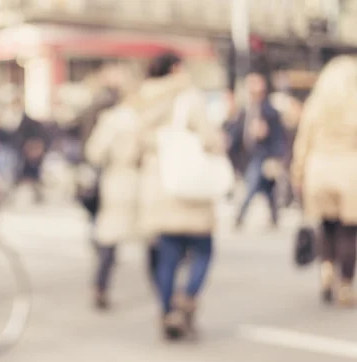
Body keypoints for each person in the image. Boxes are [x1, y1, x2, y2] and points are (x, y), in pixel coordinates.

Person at [86, 52, 223, 339]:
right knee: (203, 249)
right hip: (188, 183)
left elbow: (126, 149)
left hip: (154, 185)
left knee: (167, 252)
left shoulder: (139, 103)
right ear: (175, 69)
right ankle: (187, 298)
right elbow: (210, 139)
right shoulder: (188, 98)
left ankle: (166, 310)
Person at [292, 56, 357, 307]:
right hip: (350, 169)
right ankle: (345, 284)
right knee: (350, 231)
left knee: (326, 225)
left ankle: (327, 270)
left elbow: (302, 142)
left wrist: (298, 173)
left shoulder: (316, 104)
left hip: (319, 168)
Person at [228, 72, 285, 229]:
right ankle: (274, 217)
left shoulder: (269, 111)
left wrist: (277, 155)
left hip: (263, 156)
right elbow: (236, 132)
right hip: (247, 155)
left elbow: (279, 136)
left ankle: (240, 216)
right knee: (267, 190)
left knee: (252, 186)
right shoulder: (245, 109)